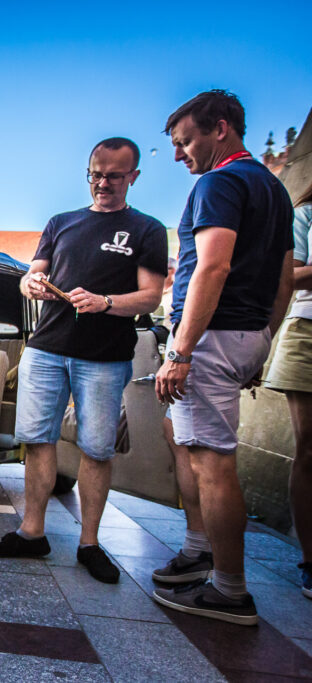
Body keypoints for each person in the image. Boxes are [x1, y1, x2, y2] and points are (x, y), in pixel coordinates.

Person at [0, 137, 168, 584]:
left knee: (97, 448)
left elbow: (150, 295)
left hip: (103, 357)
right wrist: (32, 284)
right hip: (45, 349)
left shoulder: (146, 229)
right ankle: (31, 532)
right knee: (37, 439)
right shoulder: (61, 222)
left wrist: (104, 301)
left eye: (113, 176)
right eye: (95, 174)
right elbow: (32, 274)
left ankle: (90, 543)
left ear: (133, 177)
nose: (102, 183)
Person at [152, 90, 294, 625]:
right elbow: (283, 276)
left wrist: (181, 352)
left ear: (220, 130)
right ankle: (198, 548)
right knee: (180, 436)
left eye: (185, 142)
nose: (179, 155)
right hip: (246, 332)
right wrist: (263, 339)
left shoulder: (220, 181)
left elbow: (211, 268)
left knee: (213, 464)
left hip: (210, 337)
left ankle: (229, 590)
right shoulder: (273, 189)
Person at [265, 182, 312, 599]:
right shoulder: (305, 213)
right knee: (309, 449)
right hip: (308, 332)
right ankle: (310, 560)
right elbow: (289, 275)